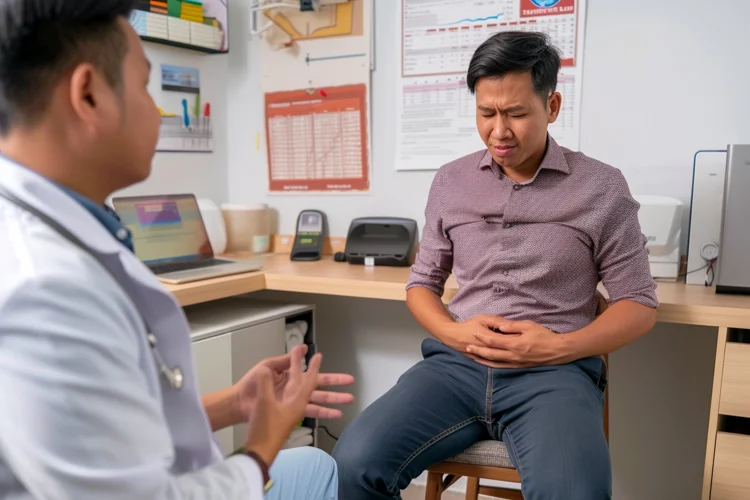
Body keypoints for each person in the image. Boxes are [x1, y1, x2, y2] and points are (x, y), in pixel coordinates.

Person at [0, 1, 354, 499]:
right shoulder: (46, 288)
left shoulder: (61, 231)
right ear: (88, 94)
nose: (158, 109)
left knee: (314, 463)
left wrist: (235, 403)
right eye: (145, 87)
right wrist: (261, 450)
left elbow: (105, 432)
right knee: (313, 469)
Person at [333, 31, 658, 499]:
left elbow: (638, 305)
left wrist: (557, 348)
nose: (499, 131)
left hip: (554, 375)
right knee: (353, 463)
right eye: (486, 113)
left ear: (553, 106)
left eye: (517, 113)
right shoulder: (451, 181)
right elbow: (421, 284)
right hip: (454, 366)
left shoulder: (601, 188)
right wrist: (453, 333)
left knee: (575, 492)